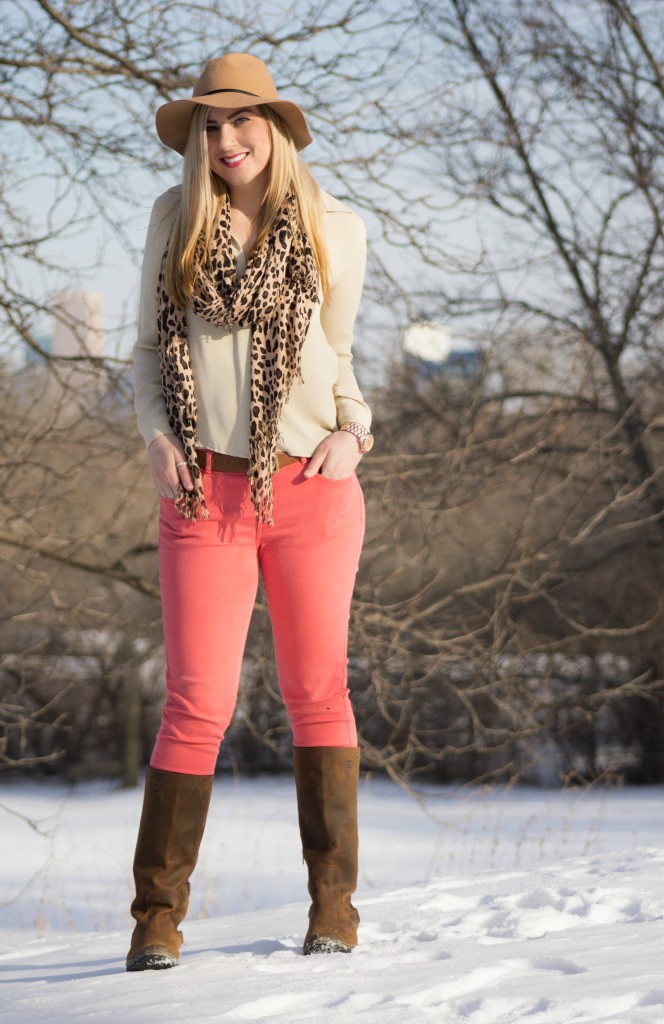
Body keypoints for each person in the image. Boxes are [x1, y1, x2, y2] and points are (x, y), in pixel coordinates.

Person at [126, 52, 374, 971]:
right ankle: (156, 921)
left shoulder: (334, 229)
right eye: (210, 127)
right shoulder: (174, 218)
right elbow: (149, 352)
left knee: (319, 694)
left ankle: (334, 910)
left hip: (310, 485)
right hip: (201, 487)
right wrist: (157, 436)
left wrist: (359, 430)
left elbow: (339, 357)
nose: (226, 141)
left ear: (274, 127)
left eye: (242, 122)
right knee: (196, 701)